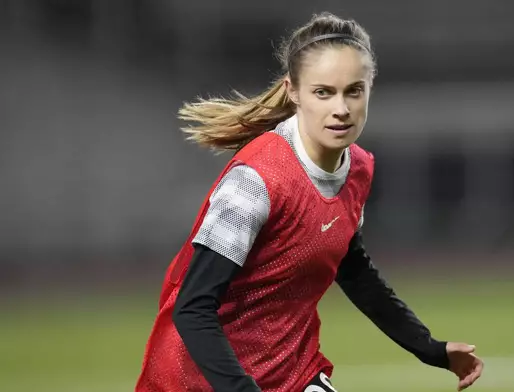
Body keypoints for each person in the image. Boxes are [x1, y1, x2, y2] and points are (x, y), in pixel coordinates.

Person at [135, 11, 483, 392]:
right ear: (293, 91)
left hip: (292, 373)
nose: (342, 108)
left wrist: (429, 348)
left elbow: (352, 269)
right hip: (201, 381)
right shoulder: (254, 182)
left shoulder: (358, 169)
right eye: (323, 92)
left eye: (354, 90)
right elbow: (192, 309)